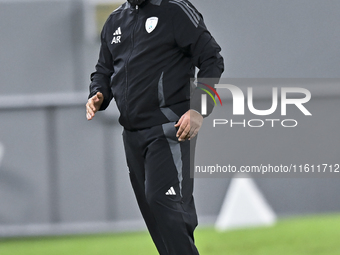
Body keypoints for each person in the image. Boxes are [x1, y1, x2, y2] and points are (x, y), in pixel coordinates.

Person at [86, 0, 224, 254]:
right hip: (132, 136)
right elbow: (103, 70)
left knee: (165, 203)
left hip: (169, 128)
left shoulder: (175, 10)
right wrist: (98, 94)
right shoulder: (115, 21)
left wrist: (198, 110)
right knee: (155, 216)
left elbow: (212, 59)